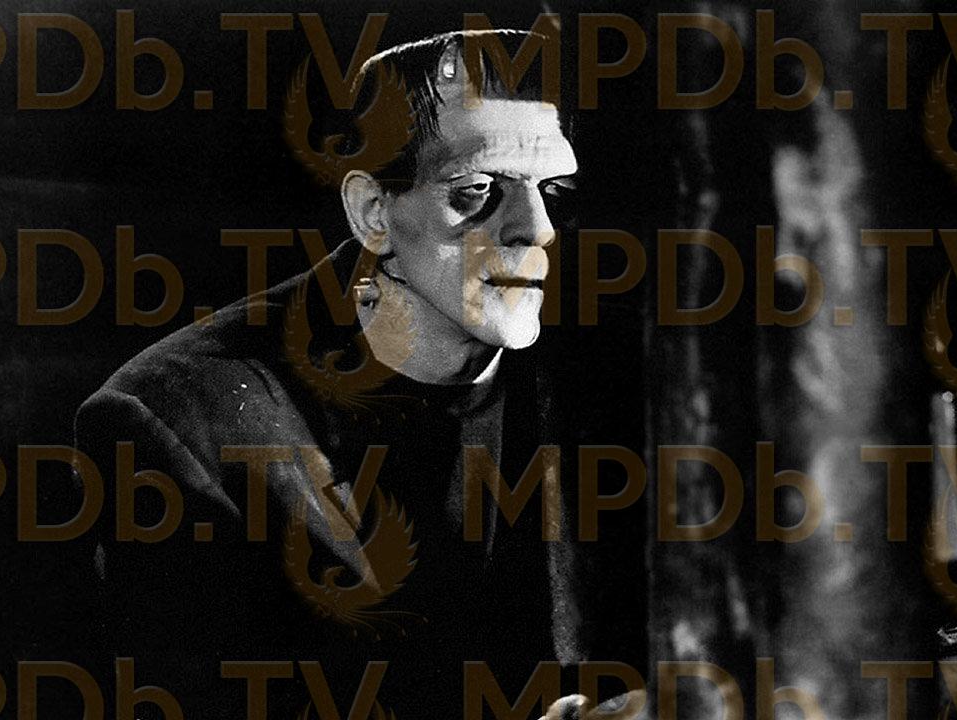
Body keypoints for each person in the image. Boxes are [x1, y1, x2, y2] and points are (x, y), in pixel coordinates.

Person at [74, 29, 586, 717]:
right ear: (373, 213)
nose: (537, 228)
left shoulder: (613, 383)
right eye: (476, 190)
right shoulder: (180, 419)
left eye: (554, 189)